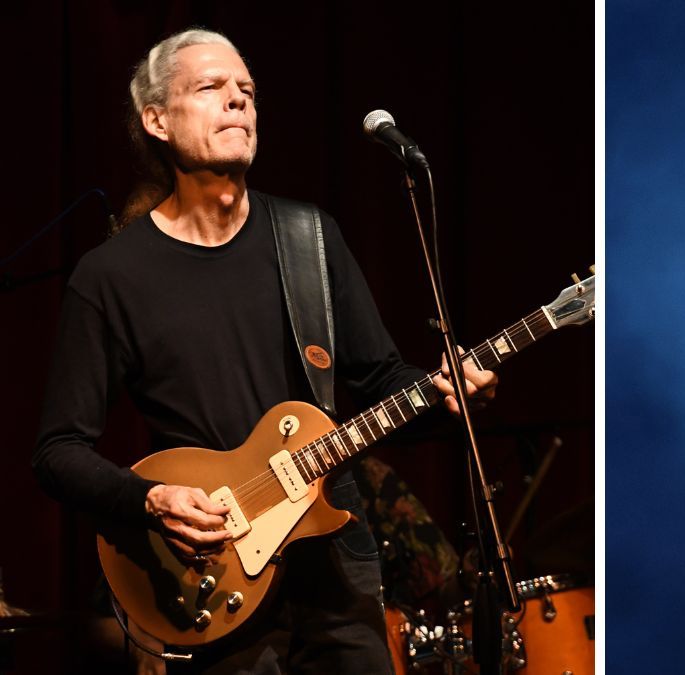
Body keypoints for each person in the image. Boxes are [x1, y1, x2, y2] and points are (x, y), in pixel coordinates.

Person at [32, 28, 496, 673]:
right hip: (212, 567)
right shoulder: (110, 277)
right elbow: (58, 451)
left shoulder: (309, 236)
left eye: (246, 91)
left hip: (334, 553)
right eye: (211, 89)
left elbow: (381, 377)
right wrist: (151, 499)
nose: (238, 102)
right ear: (157, 120)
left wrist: (444, 389)